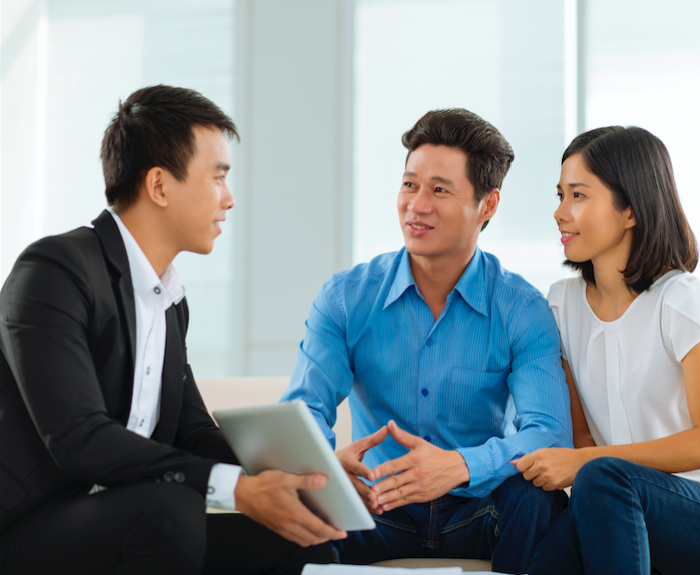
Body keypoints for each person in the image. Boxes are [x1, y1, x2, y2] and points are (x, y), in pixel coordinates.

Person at [0, 85, 341, 575]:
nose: (229, 199)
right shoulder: (54, 272)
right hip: (24, 530)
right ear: (159, 186)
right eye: (218, 178)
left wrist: (307, 475)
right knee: (168, 510)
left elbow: (191, 432)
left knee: (291, 534)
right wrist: (236, 489)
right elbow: (78, 437)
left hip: (116, 521)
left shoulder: (168, 302)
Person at [280, 108, 572, 573]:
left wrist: (461, 465)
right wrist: (326, 469)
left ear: (488, 205)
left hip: (478, 510)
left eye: (439, 189)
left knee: (537, 497)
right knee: (302, 497)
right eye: (410, 184)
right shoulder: (346, 297)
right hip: (374, 509)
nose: (417, 204)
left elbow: (549, 433)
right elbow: (303, 412)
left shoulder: (522, 308)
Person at [516, 126, 700, 575]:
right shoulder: (561, 305)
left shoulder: (683, 298)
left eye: (578, 196)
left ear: (631, 212)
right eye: (560, 195)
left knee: (600, 477)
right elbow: (581, 438)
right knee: (547, 559)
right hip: (620, 500)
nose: (560, 213)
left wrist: (586, 463)